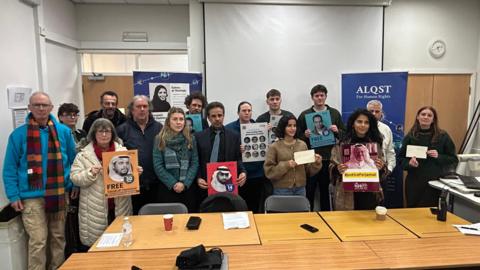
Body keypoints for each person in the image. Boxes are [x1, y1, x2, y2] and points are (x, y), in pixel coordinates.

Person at [3, 92, 77, 270]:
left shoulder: (64, 132)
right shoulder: (18, 135)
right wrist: (13, 196)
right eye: (37, 105)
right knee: (38, 241)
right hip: (31, 198)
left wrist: (74, 183)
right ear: (30, 108)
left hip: (59, 194)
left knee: (58, 239)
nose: (41, 109)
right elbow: (10, 168)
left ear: (51, 108)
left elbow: (75, 161)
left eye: (45, 105)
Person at [70, 119, 135, 247]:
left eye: (107, 131)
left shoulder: (123, 151)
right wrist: (90, 173)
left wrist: (135, 172)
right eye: (100, 131)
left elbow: (128, 177)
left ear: (112, 134)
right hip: (94, 210)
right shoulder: (83, 155)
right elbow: (75, 177)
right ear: (94, 134)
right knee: (99, 248)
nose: (104, 135)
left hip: (120, 207)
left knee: (122, 244)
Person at [297, 84, 345, 211]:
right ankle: (308, 215)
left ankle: (326, 217)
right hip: (309, 160)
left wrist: (336, 131)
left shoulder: (334, 113)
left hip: (329, 159)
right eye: (316, 96)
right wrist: (304, 135)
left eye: (322, 95)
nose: (319, 98)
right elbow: (295, 138)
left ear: (326, 96)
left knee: (325, 191)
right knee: (309, 191)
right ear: (312, 98)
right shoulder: (304, 114)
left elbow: (345, 136)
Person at [399, 106, 458, 207]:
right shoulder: (410, 136)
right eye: (423, 114)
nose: (426, 117)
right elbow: (400, 160)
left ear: (433, 119)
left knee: (429, 214)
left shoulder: (443, 136)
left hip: (434, 182)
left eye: (429, 115)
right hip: (414, 183)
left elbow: (453, 159)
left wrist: (438, 156)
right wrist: (409, 163)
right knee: (412, 213)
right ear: (418, 117)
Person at [329, 109, 387, 210]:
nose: (363, 125)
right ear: (353, 124)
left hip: (370, 195)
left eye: (366, 122)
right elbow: (331, 167)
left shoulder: (375, 145)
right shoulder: (342, 144)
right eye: (359, 121)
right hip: (347, 195)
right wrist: (337, 169)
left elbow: (383, 172)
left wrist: (381, 167)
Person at [195, 102, 246, 209]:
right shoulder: (199, 137)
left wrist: (242, 172)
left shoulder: (234, 136)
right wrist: (198, 178)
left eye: (220, 115)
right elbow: (196, 161)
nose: (217, 119)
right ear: (208, 118)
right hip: (206, 185)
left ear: (223, 116)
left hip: (228, 185)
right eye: (213, 116)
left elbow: (238, 159)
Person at [117, 95, 163, 214]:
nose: (142, 109)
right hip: (132, 185)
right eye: (138, 106)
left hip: (157, 184)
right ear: (132, 110)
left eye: (145, 106)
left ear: (149, 109)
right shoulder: (122, 130)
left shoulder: (160, 128)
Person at [153, 107, 199, 212]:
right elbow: (158, 165)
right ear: (168, 121)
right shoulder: (159, 139)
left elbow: (195, 163)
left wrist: (185, 183)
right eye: (175, 119)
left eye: (181, 119)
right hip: (167, 188)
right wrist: (173, 183)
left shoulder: (191, 139)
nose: (178, 122)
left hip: (187, 188)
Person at [225, 101, 268, 213]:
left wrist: (268, 133)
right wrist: (236, 149)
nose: (247, 113)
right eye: (244, 111)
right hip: (238, 173)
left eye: (249, 110)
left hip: (257, 172)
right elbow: (225, 150)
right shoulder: (229, 129)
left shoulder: (260, 127)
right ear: (238, 113)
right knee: (239, 205)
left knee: (255, 205)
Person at [264, 115, 322, 195]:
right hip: (281, 190)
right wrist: (286, 165)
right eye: (289, 126)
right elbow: (269, 172)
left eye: (294, 126)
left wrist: (316, 163)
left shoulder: (302, 145)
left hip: (300, 189)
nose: (293, 128)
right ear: (283, 127)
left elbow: (308, 171)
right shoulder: (274, 147)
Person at [366, 100, 396, 173]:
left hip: (381, 171)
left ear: (381, 113)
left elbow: (390, 152)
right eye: (371, 111)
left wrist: (389, 169)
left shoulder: (386, 129)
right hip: (362, 172)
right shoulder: (360, 128)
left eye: (377, 111)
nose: (373, 114)